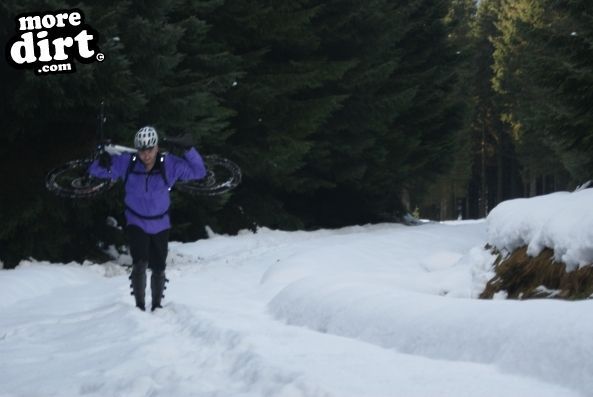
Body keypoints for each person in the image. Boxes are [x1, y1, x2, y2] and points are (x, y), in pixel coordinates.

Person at [89, 126, 206, 311]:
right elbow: (95, 170)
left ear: (157, 147)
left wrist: (188, 150)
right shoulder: (127, 162)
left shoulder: (170, 165)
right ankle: (139, 307)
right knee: (140, 263)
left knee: (159, 267)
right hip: (136, 221)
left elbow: (199, 172)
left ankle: (157, 306)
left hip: (161, 223)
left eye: (150, 149)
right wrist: (100, 158)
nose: (146, 155)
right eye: (142, 150)